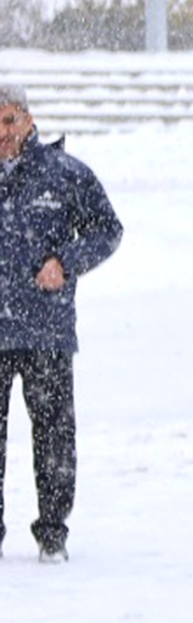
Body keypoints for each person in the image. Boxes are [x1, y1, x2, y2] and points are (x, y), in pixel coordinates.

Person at [0, 86, 123, 564]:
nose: (2, 133)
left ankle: (52, 533)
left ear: (29, 120)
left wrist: (65, 262)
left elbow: (107, 229)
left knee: (54, 435)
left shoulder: (64, 174)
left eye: (9, 120)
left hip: (45, 331)